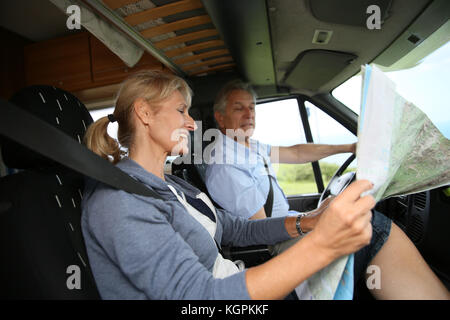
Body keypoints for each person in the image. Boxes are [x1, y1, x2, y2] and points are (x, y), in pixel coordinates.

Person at [81, 70, 377, 300]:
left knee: (371, 231)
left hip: (234, 282)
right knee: (376, 234)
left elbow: (239, 229)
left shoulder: (173, 186)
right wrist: (323, 245)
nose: (192, 123)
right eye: (181, 110)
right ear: (144, 113)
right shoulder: (120, 200)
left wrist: (308, 222)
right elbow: (199, 298)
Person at [204, 79, 450, 299]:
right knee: (369, 225)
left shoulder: (248, 147)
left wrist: (349, 147)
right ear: (220, 117)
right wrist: (313, 219)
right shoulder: (225, 165)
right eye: (239, 108)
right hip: (276, 247)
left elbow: (297, 152)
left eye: (252, 107)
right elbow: (261, 231)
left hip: (290, 226)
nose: (249, 114)